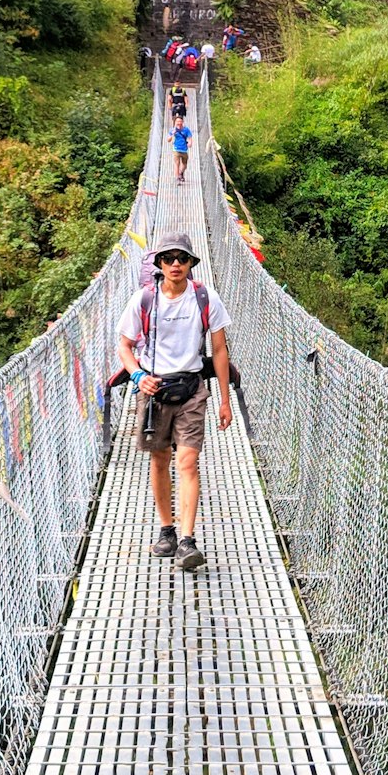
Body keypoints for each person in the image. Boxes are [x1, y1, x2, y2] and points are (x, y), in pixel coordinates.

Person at [116, 232, 232, 571]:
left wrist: (224, 400)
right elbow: (124, 345)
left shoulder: (205, 298)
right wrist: (138, 376)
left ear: (192, 263)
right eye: (169, 258)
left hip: (192, 388)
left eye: (182, 258)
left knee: (188, 462)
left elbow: (220, 350)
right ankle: (166, 530)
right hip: (155, 391)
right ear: (160, 264)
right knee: (159, 461)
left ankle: (186, 540)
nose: (176, 264)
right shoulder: (144, 300)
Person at [170, 114, 191, 183]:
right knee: (177, 164)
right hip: (176, 149)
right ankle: (177, 178)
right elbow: (168, 140)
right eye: (177, 121)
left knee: (184, 165)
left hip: (184, 149)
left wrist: (190, 143)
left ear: (182, 122)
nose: (179, 123)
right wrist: (173, 134)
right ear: (175, 122)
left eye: (180, 121)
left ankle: (181, 173)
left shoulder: (186, 130)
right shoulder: (173, 130)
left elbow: (190, 137)